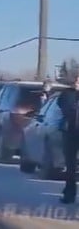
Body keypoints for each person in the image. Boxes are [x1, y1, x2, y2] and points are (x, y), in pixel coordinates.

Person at [57, 75, 79, 204]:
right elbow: (62, 106)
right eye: (76, 79)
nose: (77, 82)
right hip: (70, 132)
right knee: (70, 166)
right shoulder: (67, 94)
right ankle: (69, 194)